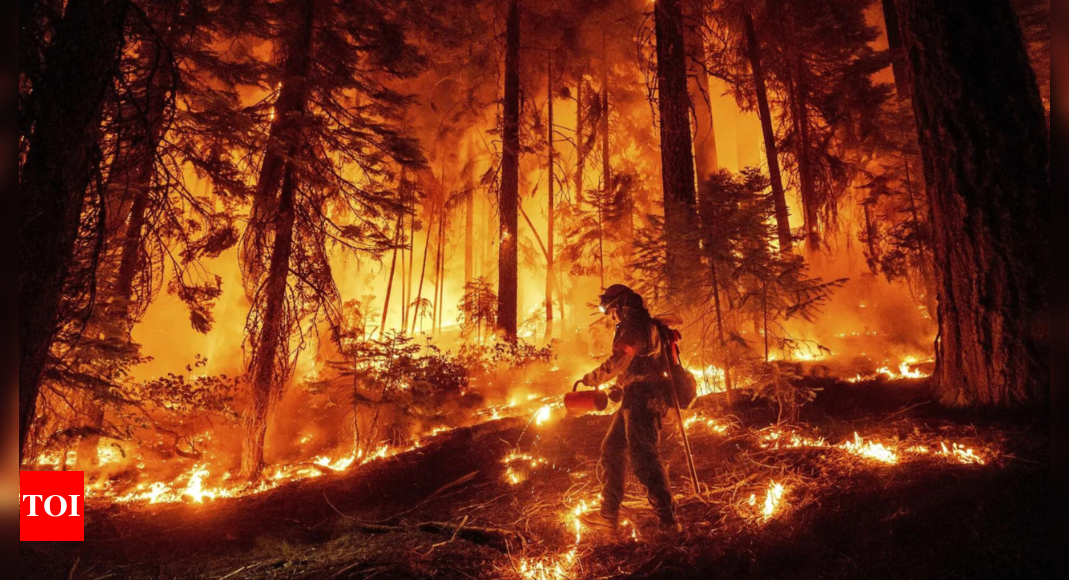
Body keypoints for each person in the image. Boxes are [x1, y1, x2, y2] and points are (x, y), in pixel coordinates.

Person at [577, 285, 681, 535]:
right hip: (633, 398)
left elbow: (620, 360)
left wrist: (594, 378)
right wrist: (618, 388)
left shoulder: (635, 326)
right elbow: (634, 367)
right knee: (611, 449)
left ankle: (668, 523)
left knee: (645, 459)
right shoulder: (637, 324)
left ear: (621, 307)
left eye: (612, 311)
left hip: (644, 401)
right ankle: (608, 515)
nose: (612, 317)